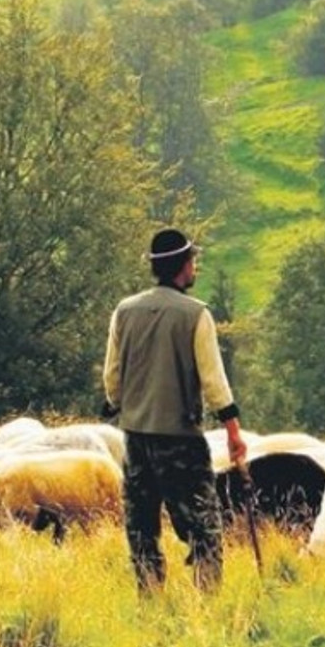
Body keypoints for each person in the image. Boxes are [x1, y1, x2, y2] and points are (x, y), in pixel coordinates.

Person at [102, 227, 248, 594]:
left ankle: (150, 597)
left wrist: (121, 406)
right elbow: (214, 381)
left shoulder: (125, 311)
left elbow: (112, 377)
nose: (195, 266)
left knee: (142, 528)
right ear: (183, 266)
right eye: (193, 260)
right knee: (203, 526)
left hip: (136, 438)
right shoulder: (195, 315)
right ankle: (206, 602)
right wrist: (233, 431)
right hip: (180, 440)